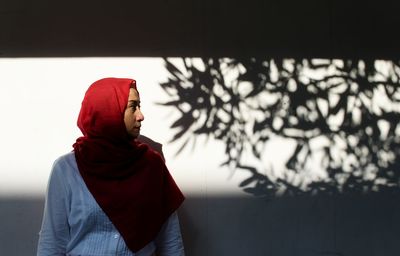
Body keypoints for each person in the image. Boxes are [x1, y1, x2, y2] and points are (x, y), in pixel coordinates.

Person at [37, 78, 185, 256]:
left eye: (139, 106)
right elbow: (52, 243)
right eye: (133, 107)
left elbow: (170, 241)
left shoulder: (151, 167)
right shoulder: (66, 170)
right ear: (108, 110)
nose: (141, 115)